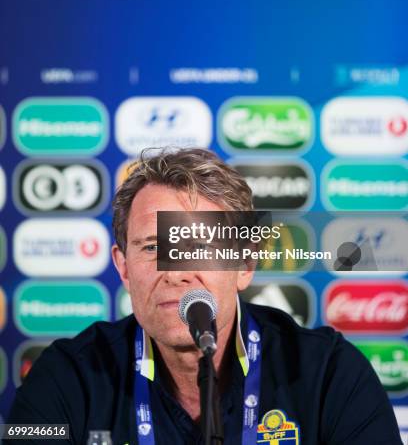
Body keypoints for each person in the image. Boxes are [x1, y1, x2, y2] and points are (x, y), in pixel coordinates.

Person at [5, 148, 402, 444]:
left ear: (244, 266)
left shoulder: (330, 374)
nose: (175, 272)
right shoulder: (63, 376)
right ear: (123, 266)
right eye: (150, 248)